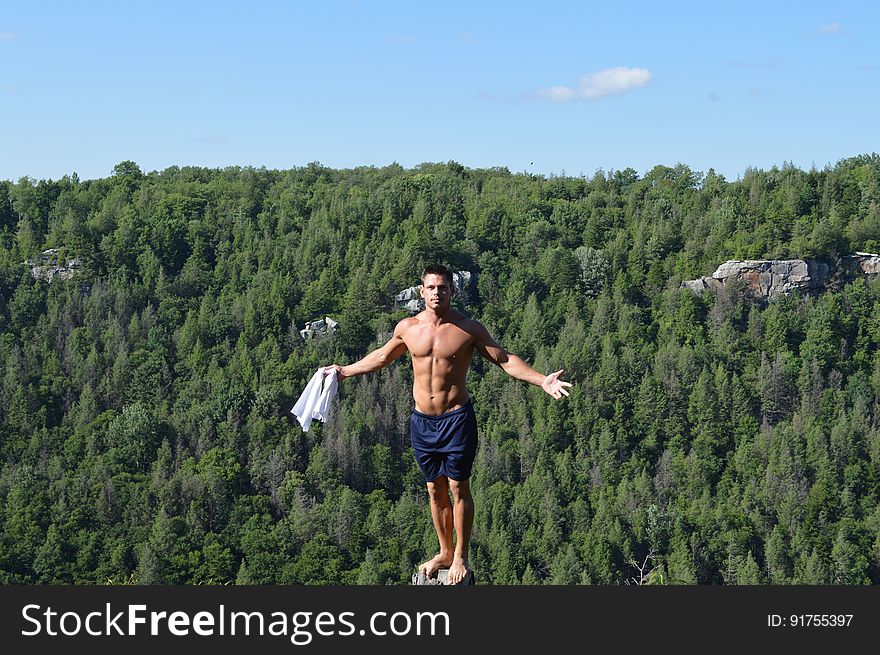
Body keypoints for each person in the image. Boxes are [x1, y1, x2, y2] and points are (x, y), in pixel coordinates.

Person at [326, 265, 572, 584]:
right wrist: (345, 371)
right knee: (434, 489)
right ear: (422, 291)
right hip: (422, 421)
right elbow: (383, 357)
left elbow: (505, 359)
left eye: (443, 287)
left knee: (458, 487)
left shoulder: (468, 329)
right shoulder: (408, 328)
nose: (437, 292)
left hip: (456, 419)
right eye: (431, 287)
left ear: (452, 292)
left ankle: (460, 556)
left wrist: (541, 380)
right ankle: (444, 550)